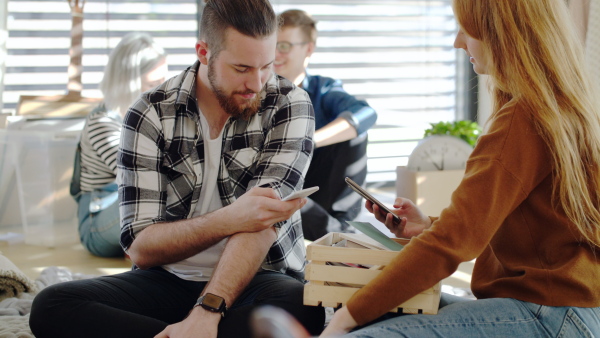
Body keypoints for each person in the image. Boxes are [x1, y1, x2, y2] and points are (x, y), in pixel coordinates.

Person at [30, 0, 325, 337]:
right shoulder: (149, 113)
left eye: (266, 66)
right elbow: (141, 245)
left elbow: (260, 225)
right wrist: (231, 218)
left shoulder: (290, 104)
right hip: (168, 279)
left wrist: (208, 309)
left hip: (258, 277)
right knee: (51, 306)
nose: (256, 84)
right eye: (242, 68)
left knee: (304, 307)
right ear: (203, 52)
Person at [320, 0, 600, 336]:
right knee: (378, 313)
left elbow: (453, 243)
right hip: (570, 312)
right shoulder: (556, 108)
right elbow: (489, 223)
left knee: (358, 326)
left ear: (501, 33)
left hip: (551, 315)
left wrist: (344, 319)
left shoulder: (523, 120)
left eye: (465, 29)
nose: (457, 42)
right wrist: (429, 226)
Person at [275, 9, 378, 241]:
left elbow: (365, 113)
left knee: (353, 131)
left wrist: (309, 141)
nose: (275, 54)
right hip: (280, 186)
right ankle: (343, 238)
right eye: (270, 44)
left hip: (321, 189)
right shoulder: (255, 91)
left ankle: (341, 230)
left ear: (308, 49)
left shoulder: (323, 89)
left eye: (283, 46)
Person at [70, 32, 168, 257]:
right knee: (155, 192)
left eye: (164, 81)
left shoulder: (151, 116)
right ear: (129, 82)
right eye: (153, 83)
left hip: (130, 215)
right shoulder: (102, 122)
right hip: (98, 222)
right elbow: (138, 176)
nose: (162, 90)